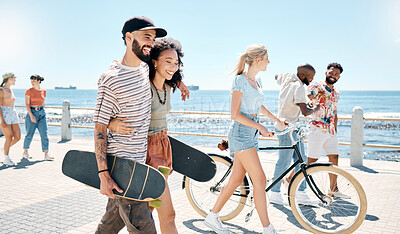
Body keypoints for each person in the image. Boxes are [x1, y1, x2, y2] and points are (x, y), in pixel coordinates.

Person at [93, 16, 167, 234]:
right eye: (146, 37)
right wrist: (103, 175)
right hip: (124, 170)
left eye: (153, 39)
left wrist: (179, 81)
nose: (151, 43)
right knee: (145, 229)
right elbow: (98, 129)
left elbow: (167, 65)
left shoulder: (145, 68)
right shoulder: (111, 79)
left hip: (139, 163)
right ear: (128, 37)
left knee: (109, 225)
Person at [204, 44, 285, 234]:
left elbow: (259, 107)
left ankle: (212, 216)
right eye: (267, 58)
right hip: (241, 134)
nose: (269, 62)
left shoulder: (257, 81)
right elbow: (235, 114)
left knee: (236, 179)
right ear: (258, 60)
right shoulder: (239, 81)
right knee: (260, 180)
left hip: (251, 134)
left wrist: (276, 120)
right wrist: (261, 127)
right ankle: (267, 228)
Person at [109, 37, 186, 234]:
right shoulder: (142, 86)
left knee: (148, 214)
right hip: (143, 152)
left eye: (176, 63)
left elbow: (173, 75)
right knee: (156, 215)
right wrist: (113, 123)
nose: (172, 67)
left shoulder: (169, 86)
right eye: (167, 61)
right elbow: (107, 112)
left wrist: (179, 80)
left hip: (163, 148)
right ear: (154, 61)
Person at [269, 64, 320, 206]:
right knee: (284, 162)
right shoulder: (299, 87)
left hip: (293, 127)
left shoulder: (287, 77)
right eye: (311, 77)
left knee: (301, 159)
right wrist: (315, 108)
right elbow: (305, 112)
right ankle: (275, 193)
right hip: (286, 128)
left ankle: (300, 192)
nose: (312, 80)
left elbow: (276, 76)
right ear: (303, 76)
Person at [306, 62, 349, 198]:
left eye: (336, 74)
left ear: (339, 77)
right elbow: (308, 96)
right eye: (331, 72)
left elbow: (334, 112)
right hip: (316, 128)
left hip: (330, 131)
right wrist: (312, 103)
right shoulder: (316, 86)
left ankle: (333, 189)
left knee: (334, 158)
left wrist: (334, 130)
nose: (333, 75)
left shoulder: (336, 94)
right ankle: (290, 180)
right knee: (312, 161)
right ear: (326, 72)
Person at [22, 74, 53, 161]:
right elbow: (27, 104)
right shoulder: (29, 91)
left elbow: (43, 102)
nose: (32, 82)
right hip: (32, 112)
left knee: (44, 134)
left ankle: (46, 154)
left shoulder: (44, 91)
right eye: (31, 81)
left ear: (38, 81)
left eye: (34, 81)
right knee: (29, 134)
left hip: (42, 113)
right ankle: (25, 152)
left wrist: (43, 110)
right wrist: (31, 115)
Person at [0, 72, 21, 166]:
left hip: (13, 113)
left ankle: (4, 149)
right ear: (9, 79)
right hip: (5, 114)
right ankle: (6, 158)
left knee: (17, 137)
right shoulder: (1, 90)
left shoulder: (10, 90)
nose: (15, 80)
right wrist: (2, 120)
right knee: (9, 137)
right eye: (14, 78)